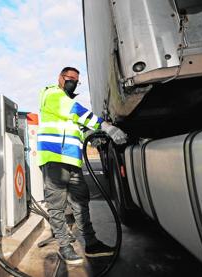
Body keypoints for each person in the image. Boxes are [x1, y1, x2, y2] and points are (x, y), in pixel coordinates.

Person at [37, 67, 127, 265]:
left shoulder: (65, 101)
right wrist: (105, 126)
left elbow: (74, 128)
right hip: (54, 159)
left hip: (72, 161)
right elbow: (74, 111)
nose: (72, 83)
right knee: (57, 206)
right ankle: (64, 246)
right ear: (60, 78)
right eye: (70, 78)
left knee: (81, 203)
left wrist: (91, 136)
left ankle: (92, 244)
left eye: (76, 81)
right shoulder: (51, 93)